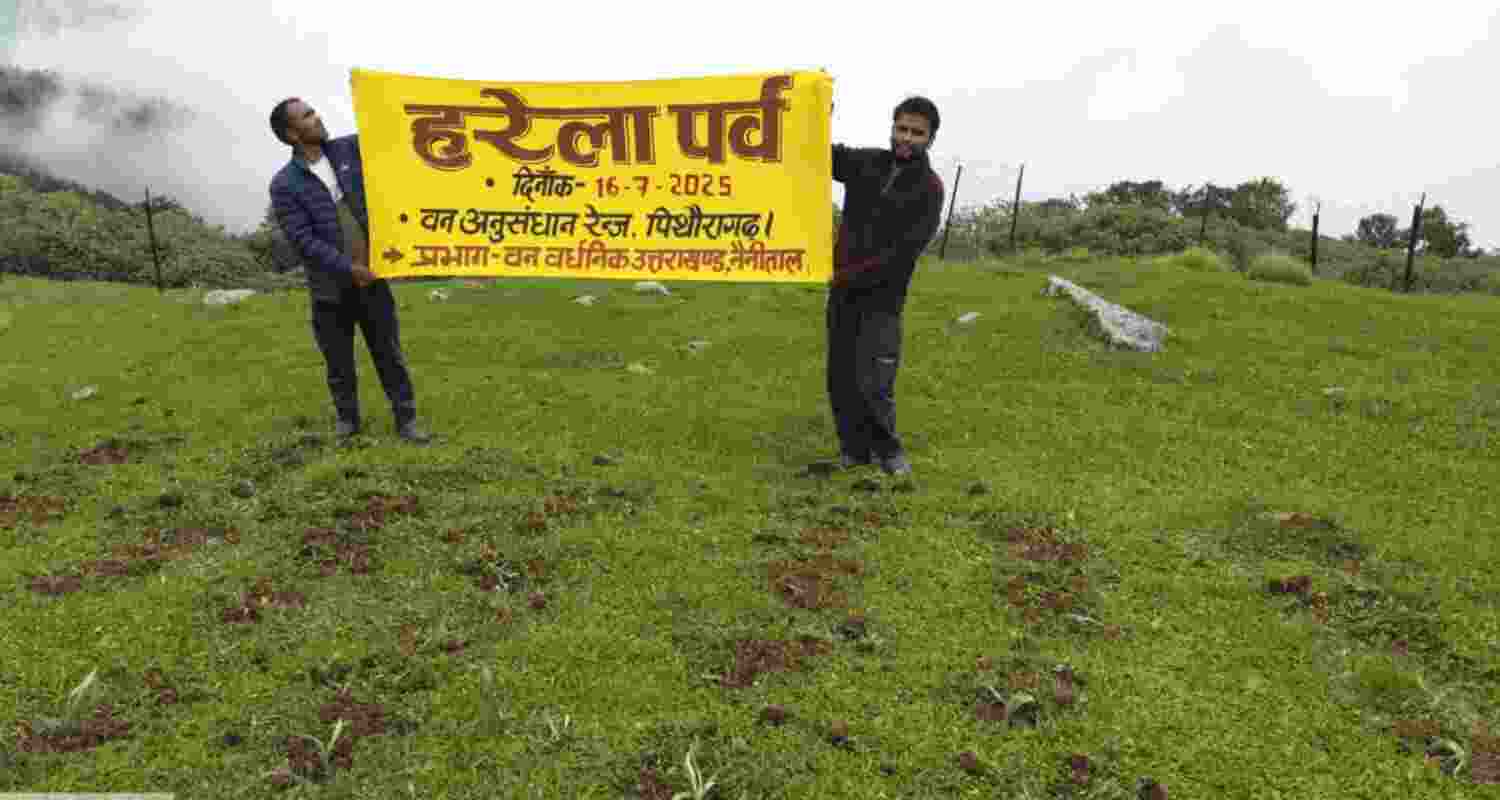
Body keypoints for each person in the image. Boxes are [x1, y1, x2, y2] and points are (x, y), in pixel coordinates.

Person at [267, 97, 430, 443]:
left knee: (389, 353)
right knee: (338, 361)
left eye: (313, 110)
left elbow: (390, 136)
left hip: (373, 278)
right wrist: (348, 268)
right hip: (329, 290)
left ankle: (407, 420)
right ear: (292, 134)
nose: (317, 117)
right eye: (307, 116)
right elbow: (303, 241)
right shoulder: (284, 184)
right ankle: (348, 422)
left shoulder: (349, 149)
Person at [824, 96, 945, 477]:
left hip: (884, 297)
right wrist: (815, 114)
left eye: (916, 132)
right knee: (840, 376)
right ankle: (853, 451)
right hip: (843, 293)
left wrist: (847, 275)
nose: (906, 137)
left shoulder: (931, 188)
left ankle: (889, 453)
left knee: (875, 379)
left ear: (930, 138)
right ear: (892, 128)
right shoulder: (866, 162)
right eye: (901, 128)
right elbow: (820, 154)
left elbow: (903, 254)